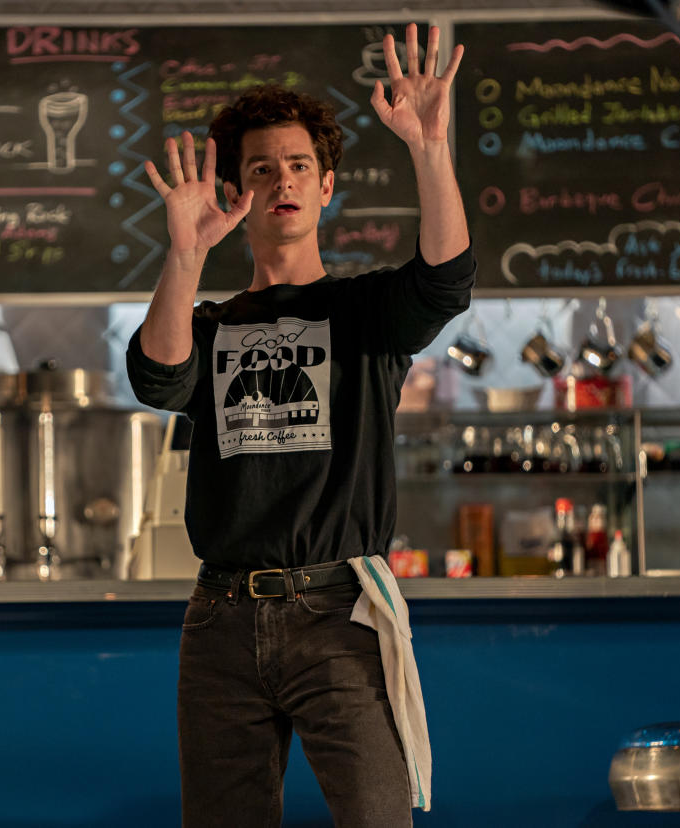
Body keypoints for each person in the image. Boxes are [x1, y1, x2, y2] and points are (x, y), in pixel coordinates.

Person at [126, 24, 474, 828]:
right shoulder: (209, 324)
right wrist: (183, 255)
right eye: (259, 169)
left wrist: (429, 146)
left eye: (298, 166)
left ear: (325, 187)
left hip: (340, 612)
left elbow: (447, 278)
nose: (281, 179)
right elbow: (158, 377)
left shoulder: (366, 314)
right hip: (219, 619)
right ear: (234, 194)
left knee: (377, 817)